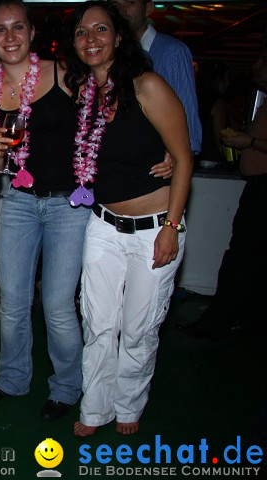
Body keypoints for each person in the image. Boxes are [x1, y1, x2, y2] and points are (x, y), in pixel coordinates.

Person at [64, 1, 192, 436]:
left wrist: (171, 228)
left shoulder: (147, 85)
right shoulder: (84, 94)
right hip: (102, 226)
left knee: (138, 330)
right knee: (97, 324)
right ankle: (94, 409)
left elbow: (184, 159)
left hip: (153, 229)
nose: (91, 39)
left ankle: (128, 405)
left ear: (119, 37)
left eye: (101, 29)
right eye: (82, 32)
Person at [0, 0, 88, 421]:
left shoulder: (65, 74)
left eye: (17, 27)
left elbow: (107, 119)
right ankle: (13, 378)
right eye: (0, 29)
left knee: (57, 305)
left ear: (32, 32)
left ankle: (67, 387)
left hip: (68, 205)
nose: (10, 37)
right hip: (20, 202)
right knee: (13, 301)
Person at [178, 47, 267, 340]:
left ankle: (224, 321)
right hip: (256, 186)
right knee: (246, 255)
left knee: (243, 256)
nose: (254, 65)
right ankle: (238, 319)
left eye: (261, 60)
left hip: (263, 188)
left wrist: (248, 142)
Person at [111, 0, 202, 154]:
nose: (121, 10)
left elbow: (188, 120)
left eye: (130, 3)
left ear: (148, 8)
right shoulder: (111, 55)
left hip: (161, 159)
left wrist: (180, 158)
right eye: (115, 5)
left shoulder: (172, 52)